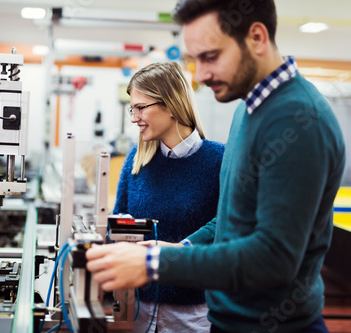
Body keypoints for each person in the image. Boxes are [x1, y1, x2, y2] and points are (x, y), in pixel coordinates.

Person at [86, 1, 346, 333]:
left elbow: (274, 259)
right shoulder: (248, 110)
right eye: (196, 60)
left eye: (210, 57)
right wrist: (181, 248)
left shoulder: (297, 119)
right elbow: (231, 218)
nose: (202, 74)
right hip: (230, 320)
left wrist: (156, 263)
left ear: (256, 37)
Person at [112, 61, 224, 332]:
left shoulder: (219, 160)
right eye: (132, 108)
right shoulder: (136, 161)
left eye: (140, 108)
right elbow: (116, 221)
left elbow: (229, 224)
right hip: (138, 309)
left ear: (171, 105)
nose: (133, 117)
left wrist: (181, 250)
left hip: (194, 313)